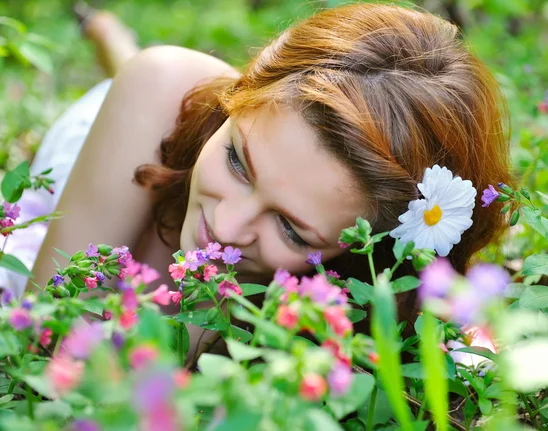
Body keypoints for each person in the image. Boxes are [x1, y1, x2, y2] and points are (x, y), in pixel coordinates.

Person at [8, 3, 511, 356]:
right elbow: (46, 342)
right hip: (140, 132)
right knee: (142, 77)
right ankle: (109, 31)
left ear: (364, 249)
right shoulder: (159, 86)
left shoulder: (367, 286)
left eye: (292, 228)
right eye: (237, 162)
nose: (225, 228)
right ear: (243, 94)